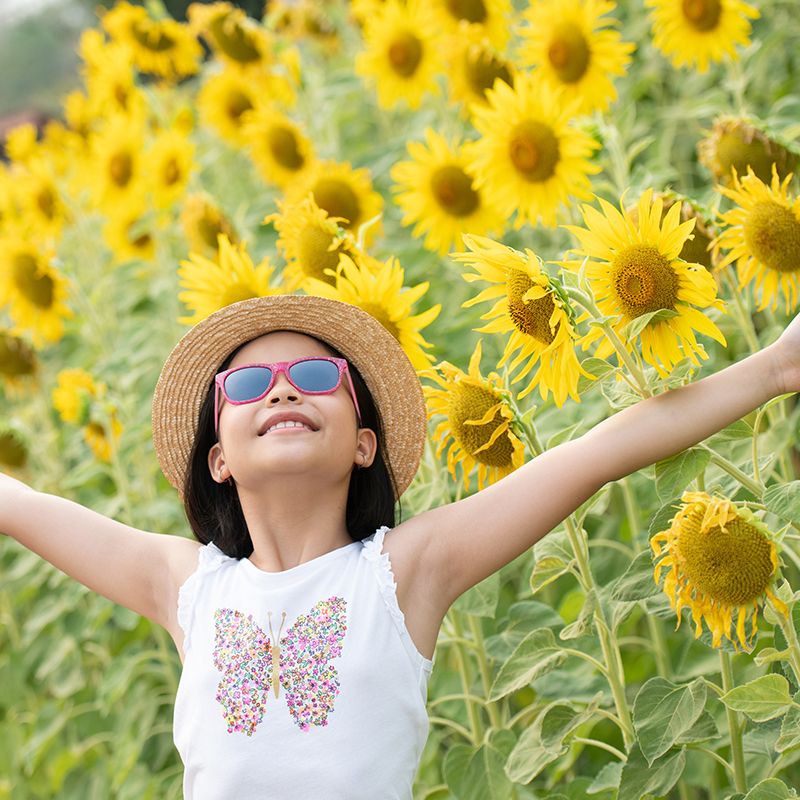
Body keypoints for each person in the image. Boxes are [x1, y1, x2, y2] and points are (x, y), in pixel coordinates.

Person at [1, 292, 799, 799]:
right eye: (245, 385)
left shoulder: (401, 572)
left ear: (364, 444)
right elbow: (22, 505)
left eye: (319, 377)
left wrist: (774, 368)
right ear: (218, 460)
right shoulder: (186, 585)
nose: (283, 388)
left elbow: (596, 454)